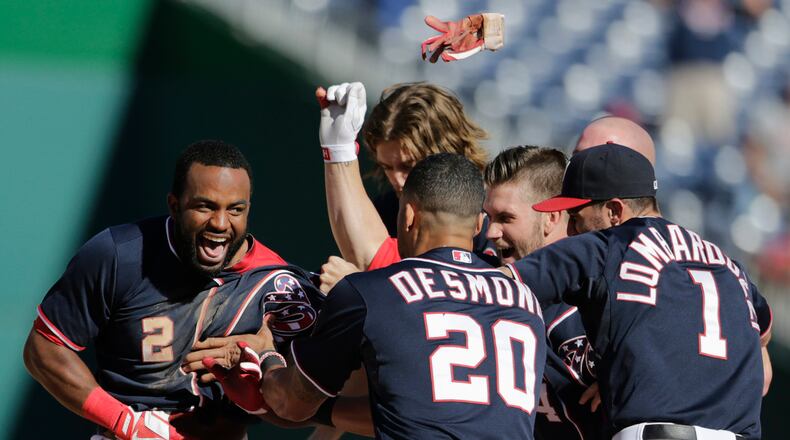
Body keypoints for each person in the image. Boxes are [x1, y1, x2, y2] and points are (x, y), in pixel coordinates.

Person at [208, 153, 548, 438]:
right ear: (477, 225)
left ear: (409, 214)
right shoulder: (527, 301)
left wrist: (267, 358)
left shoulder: (370, 293)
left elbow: (294, 402)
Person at [23, 141, 325, 439]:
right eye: (205, 206)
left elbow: (305, 408)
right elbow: (44, 348)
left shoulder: (281, 287)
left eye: (235, 209)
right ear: (174, 205)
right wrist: (125, 422)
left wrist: (263, 380)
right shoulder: (120, 255)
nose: (220, 223)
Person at [506, 144, 772, 439]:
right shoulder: (726, 263)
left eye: (577, 218)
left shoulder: (608, 246)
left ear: (614, 211)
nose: (571, 231)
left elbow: (495, 286)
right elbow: (763, 328)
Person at [483, 146, 603, 440]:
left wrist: (638, 370)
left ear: (551, 217)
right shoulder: (482, 276)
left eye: (506, 218)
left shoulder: (607, 294)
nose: (491, 232)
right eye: (489, 217)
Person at [317, 81, 496, 272]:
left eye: (407, 166)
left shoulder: (495, 217)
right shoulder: (384, 211)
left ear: (445, 152)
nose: (398, 180)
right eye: (387, 167)